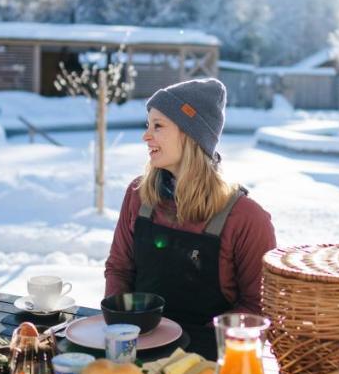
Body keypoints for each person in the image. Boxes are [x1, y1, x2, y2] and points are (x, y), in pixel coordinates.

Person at [105, 78, 276, 359]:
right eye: (147, 125)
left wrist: (200, 343)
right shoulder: (138, 195)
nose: (146, 136)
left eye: (158, 126)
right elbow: (119, 268)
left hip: (205, 363)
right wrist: (119, 327)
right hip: (136, 350)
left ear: (190, 135)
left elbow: (258, 307)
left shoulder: (247, 217)